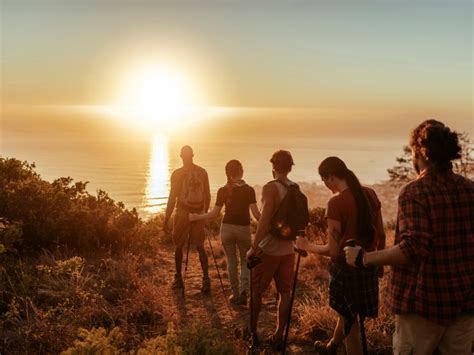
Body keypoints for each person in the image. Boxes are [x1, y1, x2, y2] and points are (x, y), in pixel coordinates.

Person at [344, 120, 474, 354]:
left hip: (423, 304)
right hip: (464, 302)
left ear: (418, 152)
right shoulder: (470, 189)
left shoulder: (415, 192)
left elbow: (414, 248)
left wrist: (363, 257)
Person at [296, 156, 386, 355]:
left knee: (350, 322)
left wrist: (307, 245)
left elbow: (333, 250)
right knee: (349, 314)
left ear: (330, 178)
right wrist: (378, 262)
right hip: (367, 264)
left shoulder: (336, 202)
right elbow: (380, 234)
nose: (326, 186)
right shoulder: (370, 194)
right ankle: (332, 346)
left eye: (324, 181)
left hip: (345, 270)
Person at [245, 150, 298, 351]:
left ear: (273, 166)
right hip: (288, 249)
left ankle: (252, 332)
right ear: (290, 167)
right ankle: (278, 336)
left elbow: (265, 220)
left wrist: (254, 247)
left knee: (256, 291)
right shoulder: (295, 187)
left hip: (269, 249)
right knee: (285, 293)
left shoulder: (270, 188)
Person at [189, 159, 261, 305]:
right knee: (245, 260)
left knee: (232, 261)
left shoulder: (223, 190)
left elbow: (214, 214)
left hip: (227, 229)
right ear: (241, 171)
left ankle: (235, 294)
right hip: (243, 230)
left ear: (227, 174)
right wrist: (271, 221)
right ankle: (243, 292)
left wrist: (197, 217)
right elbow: (256, 215)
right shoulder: (249, 190)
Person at [163, 145, 211, 293]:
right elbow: (208, 196)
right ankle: (206, 279)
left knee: (179, 246)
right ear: (193, 155)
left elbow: (172, 198)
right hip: (198, 213)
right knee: (200, 246)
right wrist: (203, 213)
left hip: (182, 212)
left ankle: (178, 279)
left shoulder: (177, 174)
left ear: (181, 156)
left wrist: (166, 218)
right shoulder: (202, 172)